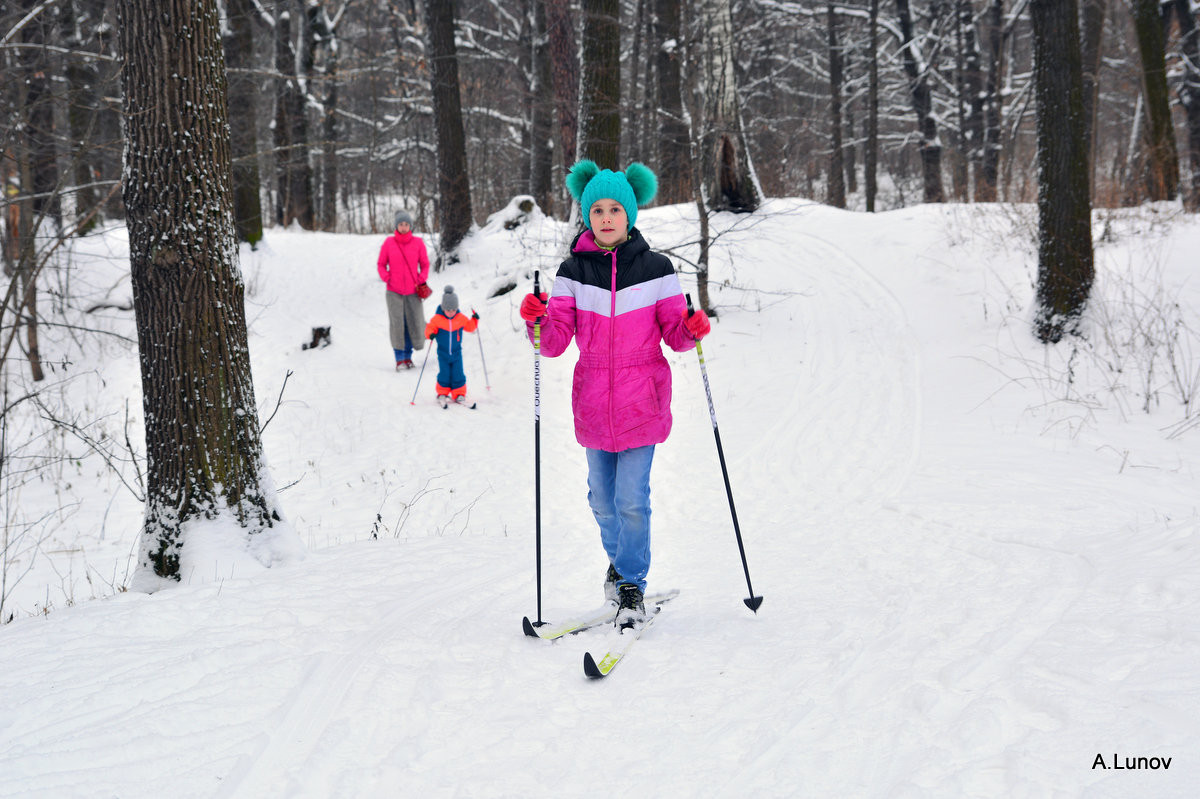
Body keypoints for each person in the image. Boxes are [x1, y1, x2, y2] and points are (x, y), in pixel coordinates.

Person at [518, 160, 711, 627]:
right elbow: (556, 341)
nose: (606, 217)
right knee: (601, 500)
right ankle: (620, 564)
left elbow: (676, 334)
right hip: (593, 404)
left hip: (641, 400)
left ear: (630, 215)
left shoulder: (657, 270)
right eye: (597, 209)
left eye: (615, 209)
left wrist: (692, 328)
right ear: (587, 215)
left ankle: (631, 583)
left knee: (631, 498)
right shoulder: (571, 272)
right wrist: (537, 320)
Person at [377, 210, 431, 370]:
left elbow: (425, 264)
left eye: (406, 224)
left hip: (413, 292)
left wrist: (420, 279)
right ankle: (399, 358)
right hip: (394, 292)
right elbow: (381, 264)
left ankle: (408, 357)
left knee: (413, 323)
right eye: (401, 224)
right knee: (397, 324)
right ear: (396, 226)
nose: (404, 227)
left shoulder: (418, 243)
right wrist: (388, 278)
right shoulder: (389, 243)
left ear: (410, 226)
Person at [424, 285, 479, 406]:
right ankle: (442, 392)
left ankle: (459, 393)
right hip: (443, 353)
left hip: (456, 353)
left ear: (457, 308)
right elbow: (429, 329)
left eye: (453, 310)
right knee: (444, 373)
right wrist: (431, 334)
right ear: (443, 308)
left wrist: (475, 320)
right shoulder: (437, 319)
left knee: (458, 373)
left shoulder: (460, 318)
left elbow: (470, 327)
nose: (450, 313)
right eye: (448, 310)